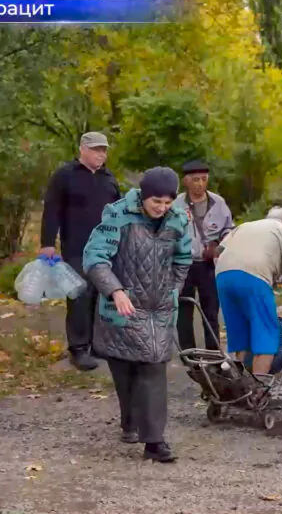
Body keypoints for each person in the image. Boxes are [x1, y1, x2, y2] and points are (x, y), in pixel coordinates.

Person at [82, 167, 192, 463]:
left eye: (168, 202)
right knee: (124, 369)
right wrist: (115, 291)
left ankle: (154, 441)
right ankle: (129, 421)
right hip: (121, 308)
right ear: (144, 196)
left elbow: (183, 258)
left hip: (158, 310)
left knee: (154, 368)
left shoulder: (178, 219)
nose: (162, 208)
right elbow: (94, 258)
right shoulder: (117, 215)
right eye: (156, 201)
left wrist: (173, 289)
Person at [40, 131, 122, 371]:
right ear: (82, 149)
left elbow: (118, 213)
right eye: (96, 149)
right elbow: (51, 209)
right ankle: (78, 349)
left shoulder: (109, 178)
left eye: (104, 150)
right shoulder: (65, 175)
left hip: (106, 248)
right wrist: (47, 244)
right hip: (76, 247)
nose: (101, 154)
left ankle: (98, 345)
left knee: (102, 296)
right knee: (79, 296)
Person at [215, 207, 282, 375]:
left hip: (223, 275)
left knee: (239, 333)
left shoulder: (245, 226)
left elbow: (219, 250)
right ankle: (257, 389)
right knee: (266, 334)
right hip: (254, 277)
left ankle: (239, 384)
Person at [173, 160, 235, 351]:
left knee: (211, 311)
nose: (200, 184)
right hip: (183, 264)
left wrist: (218, 249)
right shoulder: (176, 204)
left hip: (208, 265)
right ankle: (188, 352)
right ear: (186, 181)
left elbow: (229, 231)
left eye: (203, 179)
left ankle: (213, 352)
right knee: (184, 311)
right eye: (195, 179)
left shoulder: (218, 202)